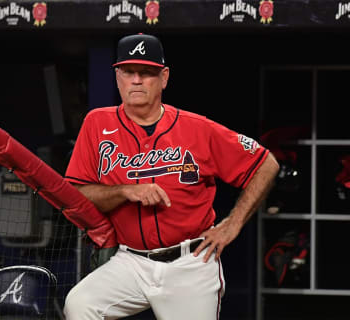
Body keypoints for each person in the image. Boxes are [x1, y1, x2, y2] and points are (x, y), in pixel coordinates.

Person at [63, 33, 279, 320]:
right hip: (131, 261)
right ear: (117, 77)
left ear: (164, 78)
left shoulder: (197, 129)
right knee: (79, 304)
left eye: (147, 72)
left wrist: (232, 224)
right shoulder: (96, 123)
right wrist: (125, 191)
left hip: (190, 262)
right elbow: (76, 195)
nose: (136, 80)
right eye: (128, 72)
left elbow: (266, 164)